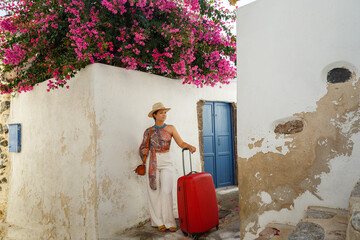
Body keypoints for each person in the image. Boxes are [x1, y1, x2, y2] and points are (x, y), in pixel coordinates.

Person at [139, 102, 196, 232]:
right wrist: (143, 151)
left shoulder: (171, 128)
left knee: (166, 191)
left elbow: (180, 142)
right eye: (161, 112)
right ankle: (158, 221)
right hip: (152, 161)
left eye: (165, 112)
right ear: (155, 115)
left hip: (166, 160)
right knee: (154, 192)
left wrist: (189, 146)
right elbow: (143, 146)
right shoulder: (148, 131)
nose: (164, 115)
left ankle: (169, 222)